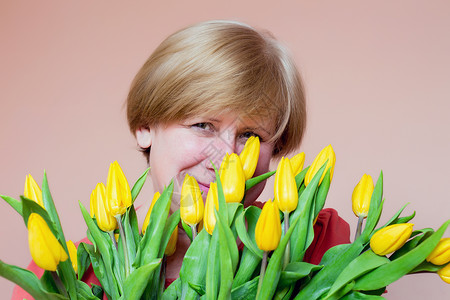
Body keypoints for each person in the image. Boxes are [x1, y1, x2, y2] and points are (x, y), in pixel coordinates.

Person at [12, 20, 349, 299]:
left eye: (252, 136)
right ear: (145, 126)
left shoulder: (314, 247)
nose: (227, 158)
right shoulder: (64, 279)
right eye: (203, 125)